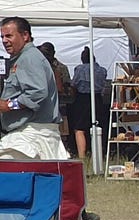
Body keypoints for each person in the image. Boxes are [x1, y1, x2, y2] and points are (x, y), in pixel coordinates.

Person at [0, 17, 66, 161]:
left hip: (32, 134)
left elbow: (38, 92)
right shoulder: (23, 58)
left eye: (9, 36)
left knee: (9, 174)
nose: (4, 40)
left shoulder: (29, 58)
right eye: (2, 37)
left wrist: (9, 104)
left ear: (25, 35)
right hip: (30, 134)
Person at [71, 45, 111, 164]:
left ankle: (82, 156)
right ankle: (98, 154)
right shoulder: (102, 70)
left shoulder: (79, 69)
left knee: (79, 129)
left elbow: (74, 84)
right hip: (98, 98)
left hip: (82, 99)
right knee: (97, 127)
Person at [37, 42, 76, 151]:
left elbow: (63, 87)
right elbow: (66, 86)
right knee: (60, 130)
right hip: (58, 102)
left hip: (51, 103)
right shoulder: (60, 67)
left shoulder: (48, 67)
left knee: (55, 129)